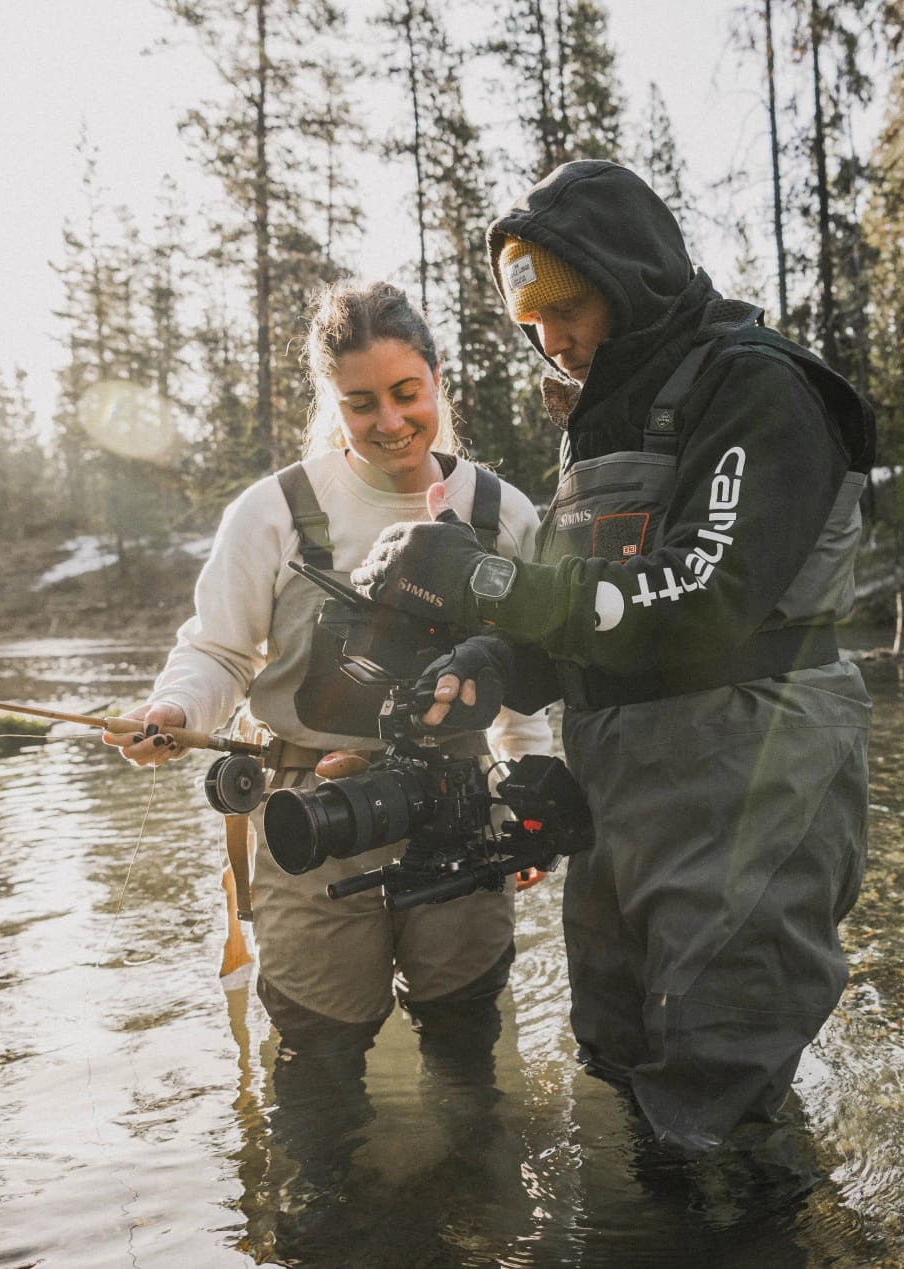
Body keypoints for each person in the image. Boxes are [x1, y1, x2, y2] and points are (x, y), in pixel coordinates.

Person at [354, 160, 877, 1155]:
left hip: (751, 778)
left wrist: (481, 581)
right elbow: (579, 614)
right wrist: (491, 663)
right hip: (622, 795)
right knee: (616, 1052)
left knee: (717, 1086)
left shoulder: (755, 385)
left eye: (571, 307)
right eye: (533, 324)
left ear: (632, 274)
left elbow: (706, 596)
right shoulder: (600, 421)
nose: (553, 340)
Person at [104, 280, 551, 1209]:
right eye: (360, 401)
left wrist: (528, 795)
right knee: (318, 1052)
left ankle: (478, 1209)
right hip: (310, 815)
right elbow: (217, 652)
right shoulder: (272, 512)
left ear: (437, 380)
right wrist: (175, 712)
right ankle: (327, 1217)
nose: (390, 420)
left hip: (459, 813)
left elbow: (527, 682)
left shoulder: (504, 512)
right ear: (330, 401)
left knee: (466, 1031)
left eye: (406, 392)